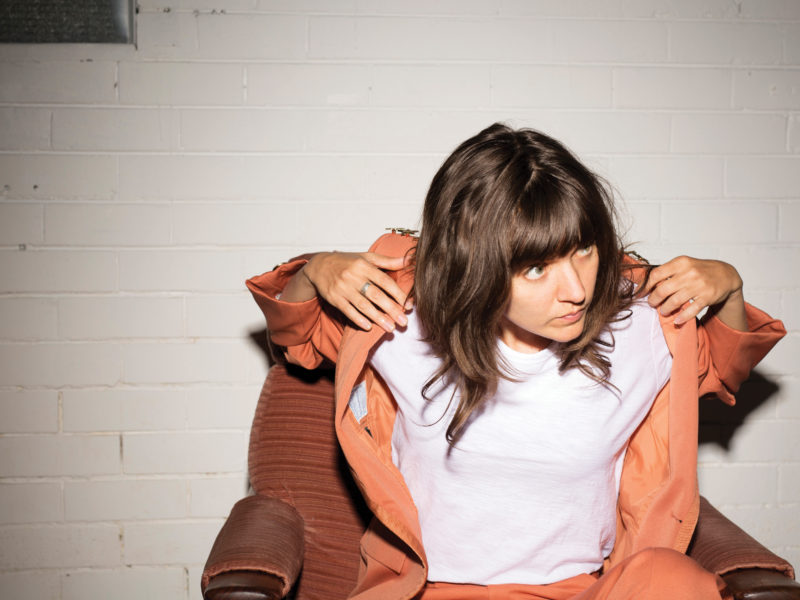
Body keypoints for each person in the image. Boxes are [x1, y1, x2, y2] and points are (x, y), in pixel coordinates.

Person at [246, 123, 785, 600]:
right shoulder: (399, 322)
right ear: (473, 266)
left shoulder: (641, 327)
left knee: (673, 582)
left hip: (585, 590)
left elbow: (722, 364)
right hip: (432, 590)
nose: (574, 289)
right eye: (535, 269)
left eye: (583, 249)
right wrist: (315, 269)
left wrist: (730, 286)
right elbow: (296, 337)